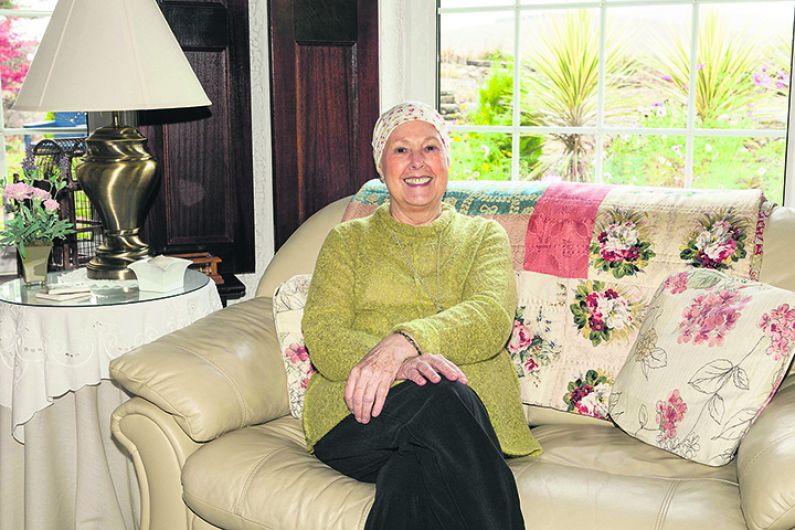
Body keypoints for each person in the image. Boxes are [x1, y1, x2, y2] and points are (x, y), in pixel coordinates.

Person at [302, 101, 542, 530]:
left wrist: (404, 341)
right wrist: (403, 364)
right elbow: (323, 333)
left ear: (447, 161)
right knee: (441, 392)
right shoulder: (347, 241)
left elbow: (489, 317)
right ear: (380, 166)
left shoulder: (483, 236)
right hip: (357, 420)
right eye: (401, 150)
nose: (417, 162)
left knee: (409, 476)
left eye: (430, 148)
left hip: (463, 424)